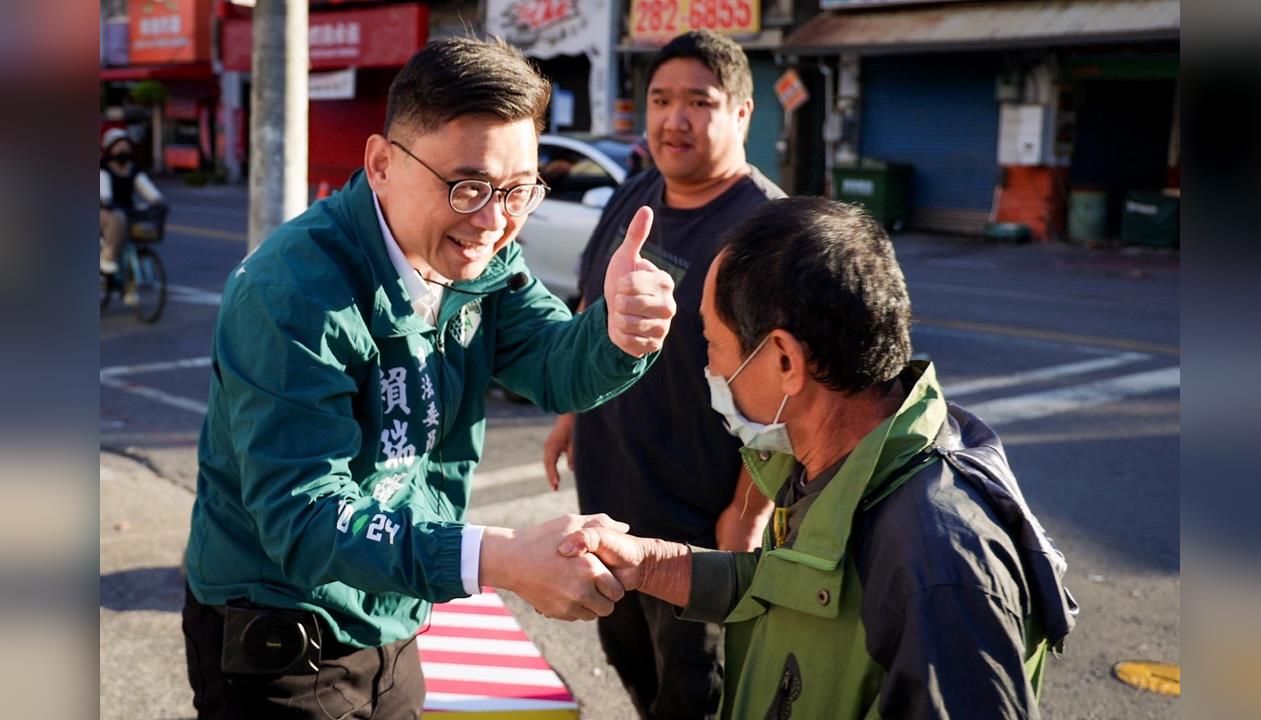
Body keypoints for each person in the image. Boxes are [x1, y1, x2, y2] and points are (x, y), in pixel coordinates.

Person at [182, 37, 676, 719]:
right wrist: (499, 559)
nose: (494, 222)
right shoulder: (292, 292)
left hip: (395, 616)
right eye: (467, 186)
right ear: (382, 164)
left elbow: (554, 366)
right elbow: (304, 516)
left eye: (518, 191)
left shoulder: (484, 262)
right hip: (283, 636)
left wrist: (617, 333)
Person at [560, 197, 1079, 719]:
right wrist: (647, 565)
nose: (709, 367)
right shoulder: (835, 464)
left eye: (712, 343)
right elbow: (791, 591)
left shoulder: (940, 566)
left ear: (786, 361)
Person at [541, 30, 784, 719]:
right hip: (612, 503)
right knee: (630, 666)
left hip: (696, 535)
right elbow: (594, 298)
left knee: (693, 694)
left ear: (741, 113)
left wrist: (745, 518)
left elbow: (790, 399)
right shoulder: (640, 189)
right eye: (660, 99)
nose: (674, 118)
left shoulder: (767, 230)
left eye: (698, 102)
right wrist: (569, 408)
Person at [100, 127, 165, 274]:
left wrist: (157, 200)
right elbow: (104, 192)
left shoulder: (132, 170)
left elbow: (146, 187)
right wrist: (106, 201)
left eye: (125, 145)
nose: (123, 148)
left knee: (137, 219)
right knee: (118, 218)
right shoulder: (103, 169)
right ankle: (107, 257)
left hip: (126, 210)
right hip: (105, 212)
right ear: (110, 148)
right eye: (119, 145)